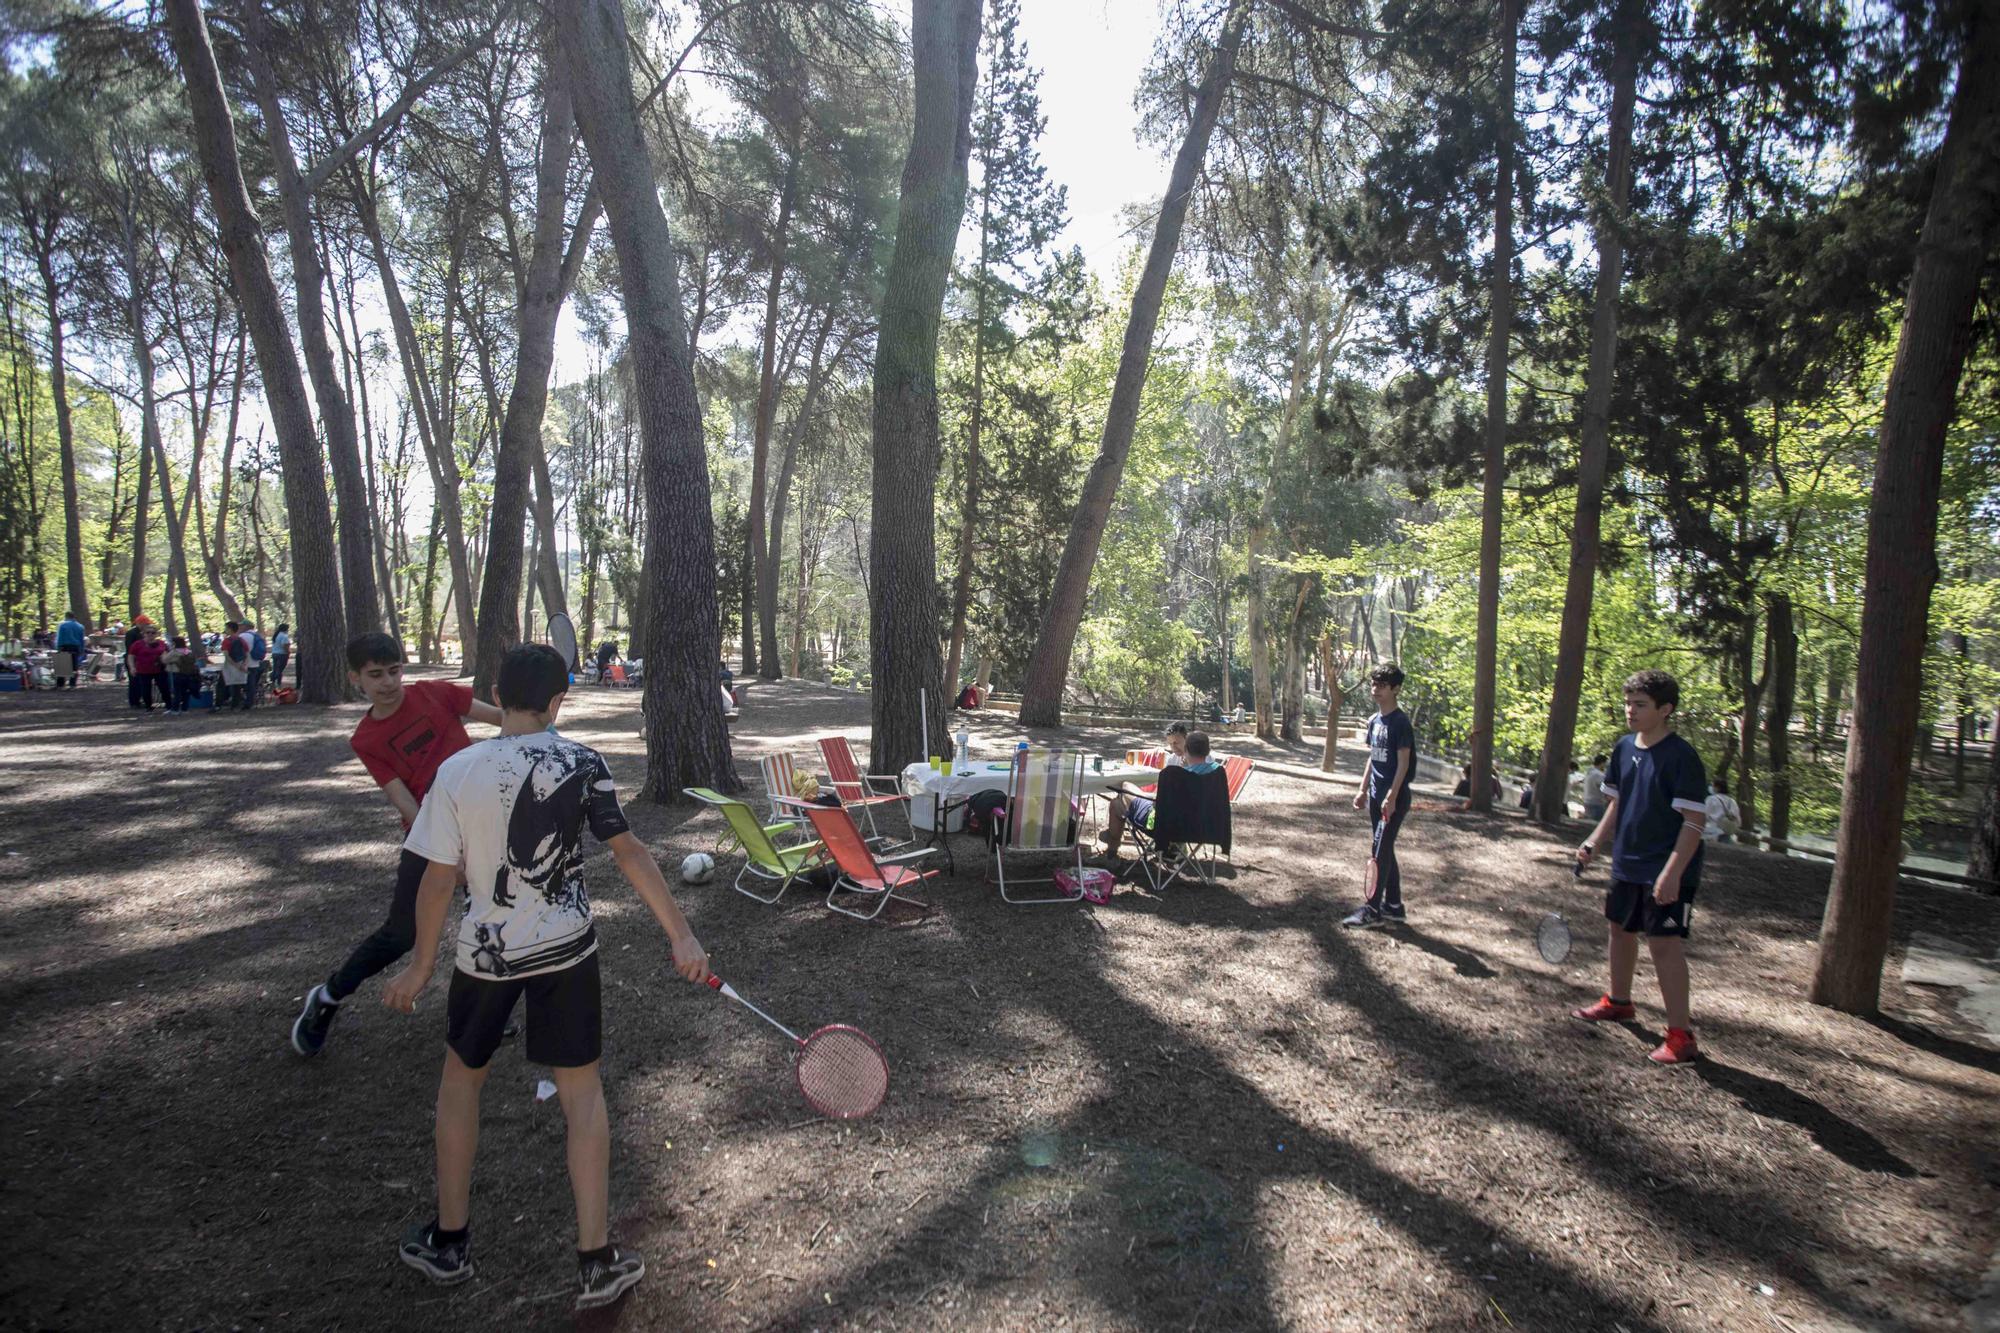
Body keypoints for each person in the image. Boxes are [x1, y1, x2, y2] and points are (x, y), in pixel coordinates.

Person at [380, 644, 711, 1309]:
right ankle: (595, 1259)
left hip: (485, 957)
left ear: (496, 694)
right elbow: (629, 850)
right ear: (559, 700)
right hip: (567, 951)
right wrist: (682, 933)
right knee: (580, 1093)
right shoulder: (583, 762)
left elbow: (438, 880)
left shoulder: (456, 769)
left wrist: (420, 964)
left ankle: (449, 1243)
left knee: (459, 1086)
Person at [289, 632, 505, 1056]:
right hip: (428, 835)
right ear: (356, 679)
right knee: (401, 935)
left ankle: (485, 1012)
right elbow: (404, 801)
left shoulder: (436, 694)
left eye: (394, 671)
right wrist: (450, 849)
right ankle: (327, 997)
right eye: (375, 675)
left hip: (483, 823)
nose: (387, 682)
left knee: (492, 919)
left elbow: (503, 720)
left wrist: (539, 712)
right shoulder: (365, 739)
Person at [1573, 668, 1709, 1065]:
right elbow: (1617, 803)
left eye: (1640, 704)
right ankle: (1619, 1002)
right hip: (1627, 862)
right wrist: (1594, 842)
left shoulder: (1682, 757)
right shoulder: (1623, 748)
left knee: (1664, 945)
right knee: (1619, 930)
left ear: (1665, 709)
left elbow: (1693, 823)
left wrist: (1671, 873)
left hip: (1667, 867)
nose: (1630, 710)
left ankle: (1681, 1036)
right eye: (1628, 702)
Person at [1343, 664, 1416, 928]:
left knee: (1380, 850)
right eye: (1374, 684)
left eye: (1382, 685)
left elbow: (1404, 763)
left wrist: (1392, 796)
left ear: (1395, 689)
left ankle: (1372, 910)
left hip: (1393, 797)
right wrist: (1363, 790)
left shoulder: (1400, 723)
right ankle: (1394, 906)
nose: (1376, 690)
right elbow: (1372, 759)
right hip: (1375, 795)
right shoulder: (1375, 721)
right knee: (1384, 848)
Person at [1097, 728, 1218, 861]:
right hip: (1189, 825)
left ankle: (1112, 844)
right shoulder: (1192, 766)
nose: (1174, 747)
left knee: (1124, 788)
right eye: (1171, 744)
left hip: (1159, 823)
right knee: (1117, 802)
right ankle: (1111, 851)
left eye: (1177, 742)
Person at [127, 623, 169, 712]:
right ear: (143, 634)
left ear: (156, 634)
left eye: (153, 632)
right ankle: (148, 706)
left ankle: (169, 705)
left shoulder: (161, 643)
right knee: (145, 688)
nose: (150, 634)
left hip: (159, 669)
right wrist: (132, 667)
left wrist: (164, 660)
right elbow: (131, 656)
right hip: (143, 670)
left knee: (164, 687)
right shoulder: (137, 644)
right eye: (148, 632)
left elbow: (165, 654)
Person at [218, 620, 249, 711]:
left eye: (226, 628)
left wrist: (236, 665)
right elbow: (247, 654)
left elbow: (227, 656)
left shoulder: (227, 641)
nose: (225, 630)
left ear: (230, 629)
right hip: (240, 664)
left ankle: (218, 705)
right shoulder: (241, 640)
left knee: (221, 685)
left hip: (230, 666)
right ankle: (235, 705)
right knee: (237, 686)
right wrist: (243, 665)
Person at [53, 612, 85, 689]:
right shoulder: (80, 626)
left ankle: (60, 684)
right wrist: (81, 649)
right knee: (74, 666)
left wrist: (57, 647)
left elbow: (60, 637)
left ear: (66, 616)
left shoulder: (63, 625)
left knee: (62, 665)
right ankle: (72, 684)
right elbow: (82, 639)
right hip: (76, 647)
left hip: (64, 646)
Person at [243, 620, 269, 707]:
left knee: (246, 683)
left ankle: (246, 702)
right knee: (252, 683)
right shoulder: (258, 636)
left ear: (245, 626)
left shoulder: (243, 636)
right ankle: (251, 700)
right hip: (256, 663)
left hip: (245, 664)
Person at [1582, 754, 1608, 822]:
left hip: (1587, 801)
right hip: (1596, 803)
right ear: (1602, 763)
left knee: (1588, 822)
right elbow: (1604, 788)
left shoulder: (1589, 772)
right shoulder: (1599, 775)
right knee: (1595, 824)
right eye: (1605, 763)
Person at [269, 623, 291, 688]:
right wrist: (288, 652)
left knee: (275, 668)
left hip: (275, 653)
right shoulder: (284, 636)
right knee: (280, 669)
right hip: (282, 654)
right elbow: (285, 646)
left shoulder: (276, 635)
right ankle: (277, 682)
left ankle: (273, 681)